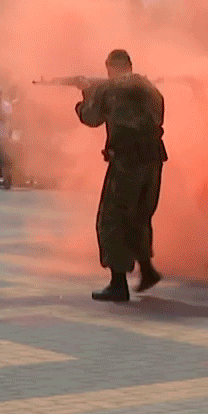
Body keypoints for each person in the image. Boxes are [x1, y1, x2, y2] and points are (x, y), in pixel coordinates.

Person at [74, 49, 168, 302]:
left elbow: (90, 117)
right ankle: (147, 270)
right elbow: (158, 116)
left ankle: (118, 284)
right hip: (154, 159)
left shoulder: (109, 89)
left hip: (127, 161)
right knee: (139, 216)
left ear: (110, 67)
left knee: (112, 219)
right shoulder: (149, 87)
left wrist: (85, 95)